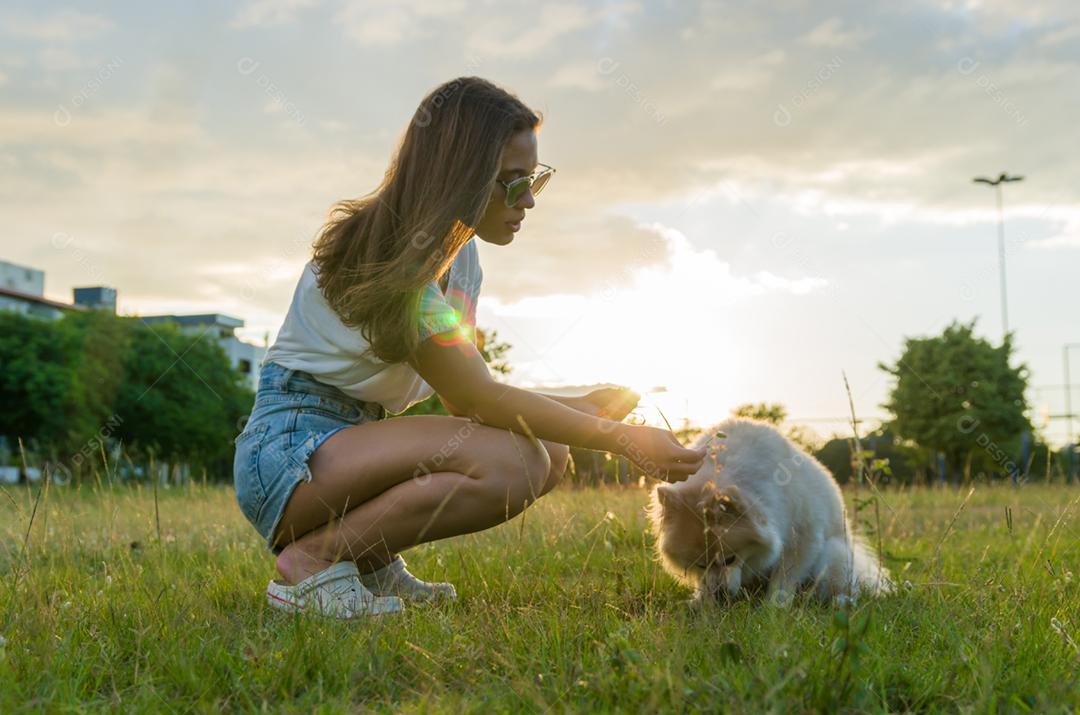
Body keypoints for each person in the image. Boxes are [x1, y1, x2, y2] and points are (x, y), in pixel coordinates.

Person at [233, 76, 707, 619]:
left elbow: (469, 389)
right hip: (289, 451)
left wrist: (581, 408)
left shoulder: (460, 256)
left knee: (549, 449)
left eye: (535, 179)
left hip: (347, 442)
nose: (528, 200)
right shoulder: (394, 254)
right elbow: (474, 400)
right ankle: (316, 560)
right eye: (512, 182)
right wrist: (621, 440)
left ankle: (366, 559)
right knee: (517, 462)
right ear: (460, 174)